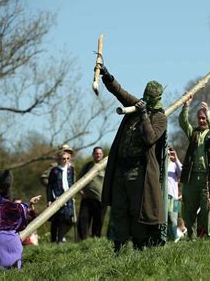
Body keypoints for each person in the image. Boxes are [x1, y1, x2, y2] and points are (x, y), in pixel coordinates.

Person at [99, 65, 167, 252]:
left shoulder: (160, 117)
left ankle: (139, 248)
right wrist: (107, 75)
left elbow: (150, 138)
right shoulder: (136, 105)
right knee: (119, 209)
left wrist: (144, 115)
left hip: (140, 173)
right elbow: (120, 92)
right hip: (121, 168)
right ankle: (119, 247)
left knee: (138, 212)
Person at [179, 97, 210, 239]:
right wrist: (185, 107)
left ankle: (209, 237)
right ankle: (191, 239)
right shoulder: (193, 132)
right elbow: (183, 122)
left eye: (204, 118)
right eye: (200, 118)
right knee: (188, 211)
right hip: (191, 177)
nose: (201, 120)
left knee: (207, 210)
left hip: (208, 178)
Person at [0, 182, 40, 270]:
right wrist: (29, 203)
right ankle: (11, 264)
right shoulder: (8, 205)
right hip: (12, 245)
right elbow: (21, 208)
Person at [77, 147, 106, 240]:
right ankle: (83, 240)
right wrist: (80, 190)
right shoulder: (87, 166)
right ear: (93, 154)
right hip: (87, 199)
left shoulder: (107, 167)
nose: (98, 155)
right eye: (96, 153)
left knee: (98, 221)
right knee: (83, 220)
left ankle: (95, 240)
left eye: (100, 153)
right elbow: (79, 179)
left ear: (103, 155)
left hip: (101, 200)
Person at [47, 151, 75, 243]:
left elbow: (72, 182)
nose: (65, 160)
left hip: (69, 197)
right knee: (56, 219)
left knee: (68, 219)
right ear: (59, 159)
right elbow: (50, 185)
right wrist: (49, 199)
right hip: (57, 197)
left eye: (67, 158)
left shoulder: (71, 170)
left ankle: (61, 238)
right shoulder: (54, 170)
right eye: (63, 158)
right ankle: (54, 240)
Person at [166, 147, 182, 241]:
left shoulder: (174, 164)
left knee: (173, 220)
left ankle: (174, 239)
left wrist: (176, 160)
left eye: (169, 153)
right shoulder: (158, 164)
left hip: (172, 196)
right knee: (162, 220)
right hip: (160, 196)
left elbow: (182, 174)